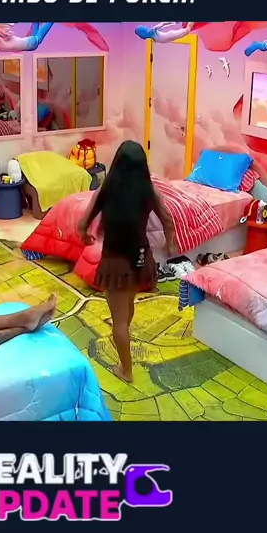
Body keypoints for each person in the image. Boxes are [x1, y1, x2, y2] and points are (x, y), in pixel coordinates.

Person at [77, 141, 176, 383]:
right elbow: (167, 219)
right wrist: (170, 244)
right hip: (141, 257)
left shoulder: (106, 189)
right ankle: (124, 335)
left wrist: (85, 235)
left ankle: (126, 370)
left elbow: (82, 223)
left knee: (118, 321)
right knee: (128, 301)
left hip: (116, 262)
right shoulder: (149, 190)